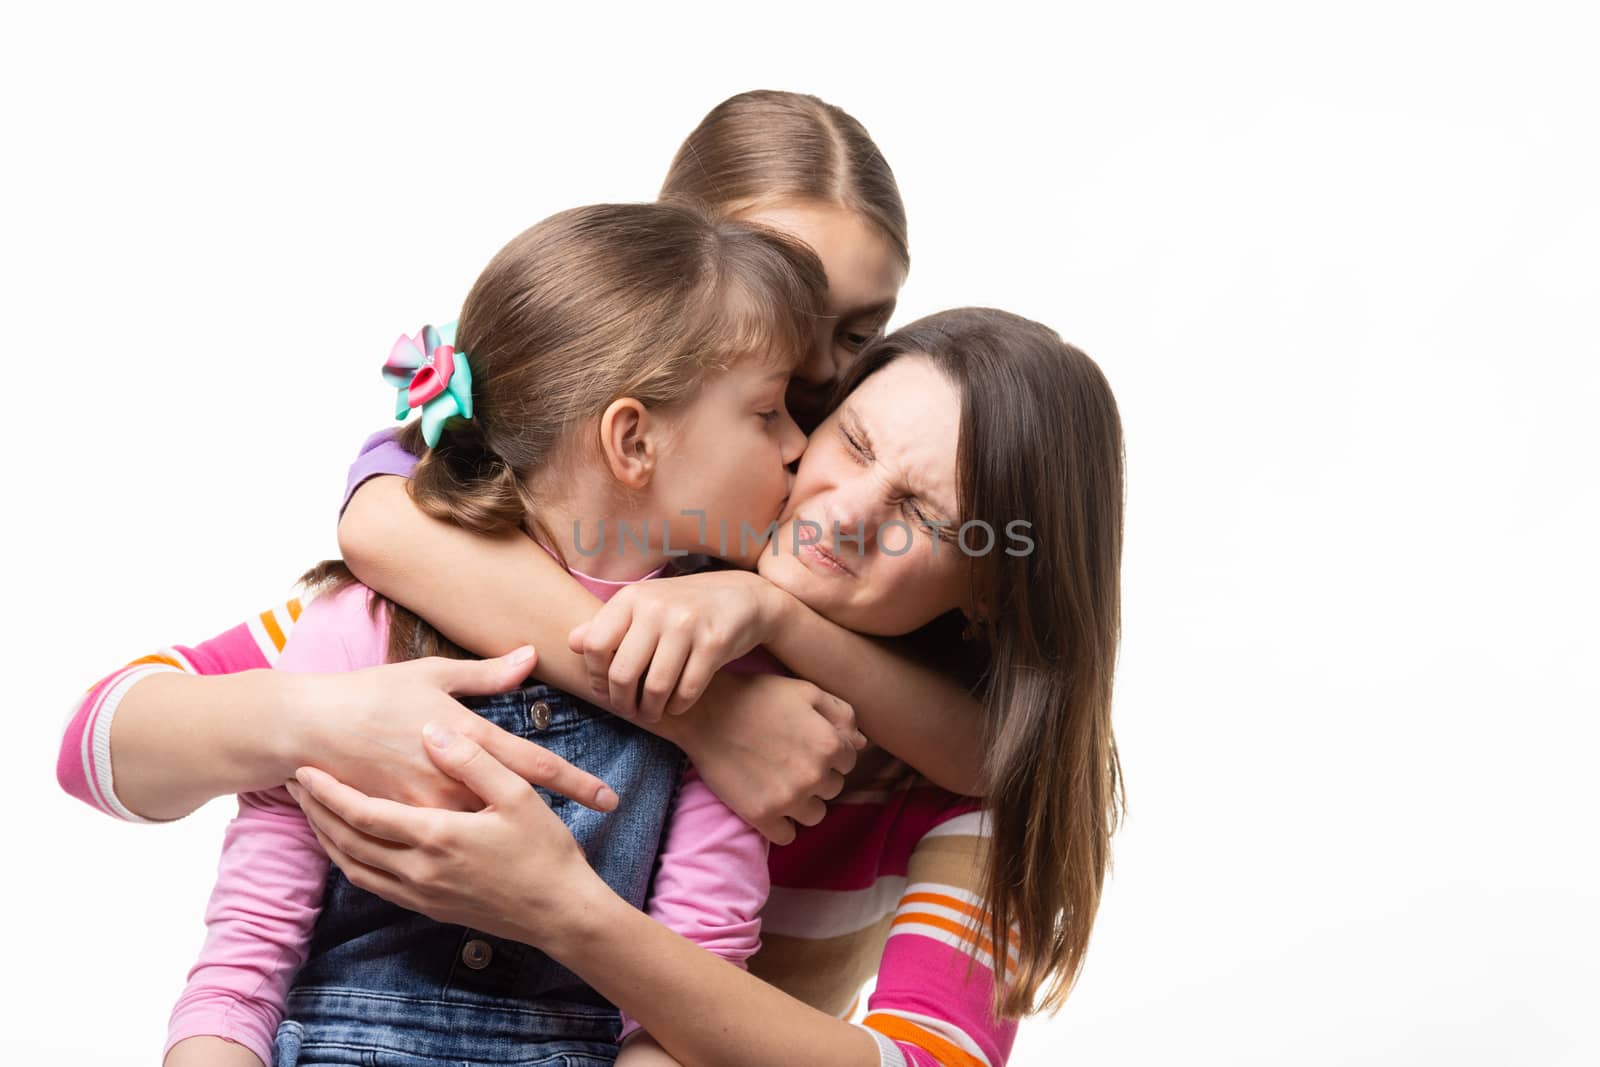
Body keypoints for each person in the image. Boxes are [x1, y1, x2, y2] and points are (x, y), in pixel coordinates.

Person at [163, 199, 831, 1066]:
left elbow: (681, 1011)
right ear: (633, 439)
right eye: (769, 410)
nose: (799, 446)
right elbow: (242, 968)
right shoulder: (361, 624)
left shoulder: (738, 692)